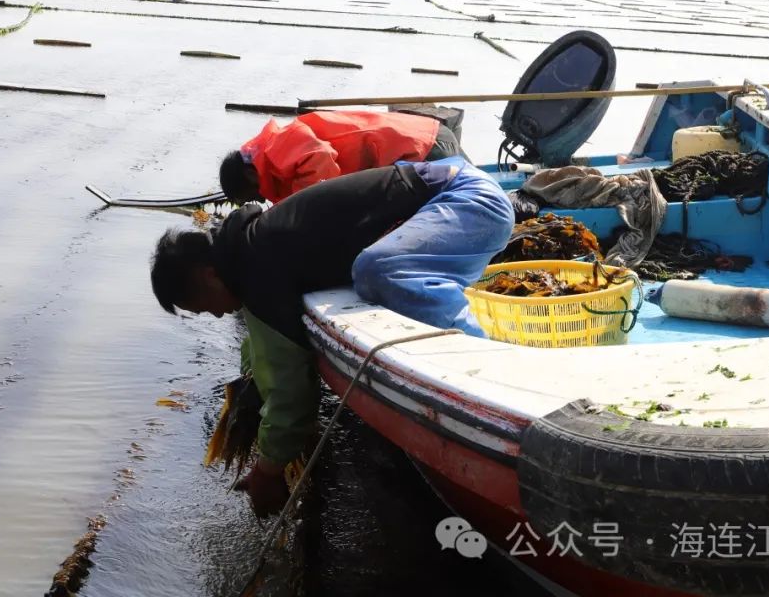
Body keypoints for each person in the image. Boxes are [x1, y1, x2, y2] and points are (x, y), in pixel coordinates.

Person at [150, 156, 513, 516]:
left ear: (206, 275)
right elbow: (262, 346)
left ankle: (487, 364)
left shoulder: (257, 265)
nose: (215, 314)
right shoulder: (251, 249)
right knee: (374, 270)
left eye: (200, 306)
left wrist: (267, 471)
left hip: (469, 201)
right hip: (458, 198)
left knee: (377, 270)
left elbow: (291, 394)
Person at [218, 110, 467, 204]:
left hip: (424, 146)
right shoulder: (274, 157)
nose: (261, 201)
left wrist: (299, 206)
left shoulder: (281, 144)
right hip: (420, 143)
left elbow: (321, 158)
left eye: (253, 195)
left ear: (251, 174)